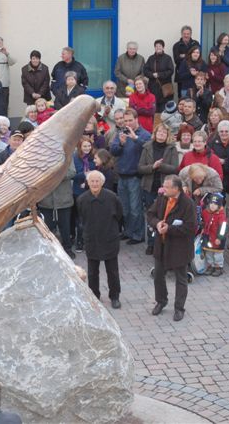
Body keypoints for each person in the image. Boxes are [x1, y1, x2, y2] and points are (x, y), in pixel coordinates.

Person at [147, 174, 196, 322]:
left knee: (181, 278)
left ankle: (179, 308)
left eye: (167, 187)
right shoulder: (162, 198)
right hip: (161, 245)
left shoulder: (188, 204)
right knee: (158, 276)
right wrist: (157, 224)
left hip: (179, 247)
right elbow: (150, 214)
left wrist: (168, 229)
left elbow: (189, 228)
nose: (164, 189)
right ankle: (161, 301)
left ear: (176, 188)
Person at [77, 170, 124, 309]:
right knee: (92, 272)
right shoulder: (82, 199)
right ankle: (94, 296)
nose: (95, 183)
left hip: (109, 238)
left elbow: (120, 215)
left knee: (112, 271)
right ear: (88, 183)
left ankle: (114, 296)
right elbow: (81, 217)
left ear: (102, 182)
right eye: (92, 181)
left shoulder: (112, 197)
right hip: (92, 239)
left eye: (97, 181)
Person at [111, 108, 151, 244]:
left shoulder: (144, 134)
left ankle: (138, 235)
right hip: (121, 176)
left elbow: (149, 149)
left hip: (135, 176)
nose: (127, 123)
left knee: (136, 209)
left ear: (136, 119)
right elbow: (113, 151)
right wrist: (121, 144)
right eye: (125, 120)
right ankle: (128, 232)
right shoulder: (121, 133)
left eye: (130, 120)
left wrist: (136, 139)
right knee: (125, 208)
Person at [138, 123, 179, 255]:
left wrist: (161, 166)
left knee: (165, 216)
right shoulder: (147, 147)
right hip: (149, 187)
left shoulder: (171, 149)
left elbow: (174, 168)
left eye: (164, 133)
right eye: (159, 132)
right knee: (151, 216)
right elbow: (140, 168)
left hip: (166, 188)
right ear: (155, 133)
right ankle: (151, 243)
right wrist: (152, 167)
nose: (161, 135)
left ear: (167, 135)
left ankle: (162, 243)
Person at [39, 161, 76, 259]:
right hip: (46, 200)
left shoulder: (66, 154)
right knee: (47, 227)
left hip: (63, 198)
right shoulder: (41, 156)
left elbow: (72, 172)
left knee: (65, 227)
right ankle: (49, 250)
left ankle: (67, 249)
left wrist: (56, 176)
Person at [144, 39, 175, 112]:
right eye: (156, 46)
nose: (158, 47)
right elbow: (145, 70)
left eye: (160, 46)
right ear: (154, 47)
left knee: (164, 110)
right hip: (152, 88)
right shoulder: (151, 58)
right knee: (153, 109)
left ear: (163, 47)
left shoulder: (168, 58)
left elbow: (171, 71)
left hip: (164, 88)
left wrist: (159, 75)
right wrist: (152, 75)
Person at [201, 192, 227, 277]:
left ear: (219, 206)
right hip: (208, 236)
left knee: (217, 254)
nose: (212, 205)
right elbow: (203, 221)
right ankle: (210, 266)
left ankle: (218, 267)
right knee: (209, 252)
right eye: (211, 203)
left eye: (215, 204)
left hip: (217, 238)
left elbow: (223, 228)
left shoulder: (221, 216)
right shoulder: (205, 212)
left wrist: (219, 238)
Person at [172, 26, 200, 96]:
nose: (186, 35)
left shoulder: (195, 43)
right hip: (182, 74)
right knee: (181, 96)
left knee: (195, 96)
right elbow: (177, 60)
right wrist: (190, 55)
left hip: (194, 74)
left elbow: (198, 57)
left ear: (191, 34)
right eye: (184, 33)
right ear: (181, 34)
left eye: (188, 34)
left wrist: (184, 55)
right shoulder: (176, 45)